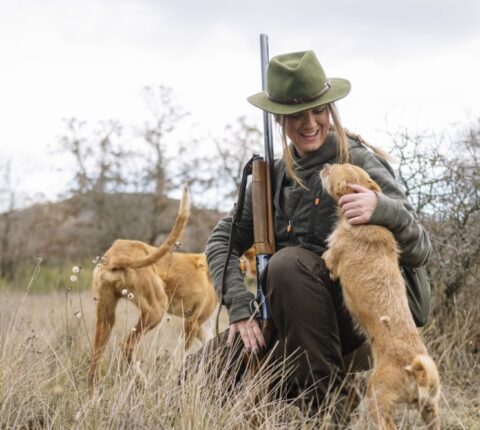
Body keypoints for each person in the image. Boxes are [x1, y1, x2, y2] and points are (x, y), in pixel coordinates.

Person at [205, 50, 431, 413]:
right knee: (197, 379)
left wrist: (382, 210)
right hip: (289, 323)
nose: (309, 123)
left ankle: (326, 412)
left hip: (352, 329)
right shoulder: (274, 175)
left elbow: (421, 247)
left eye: (318, 110)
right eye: (296, 115)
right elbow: (221, 241)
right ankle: (288, 386)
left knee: (287, 264)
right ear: (280, 119)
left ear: (331, 110)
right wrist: (241, 307)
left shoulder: (358, 163)